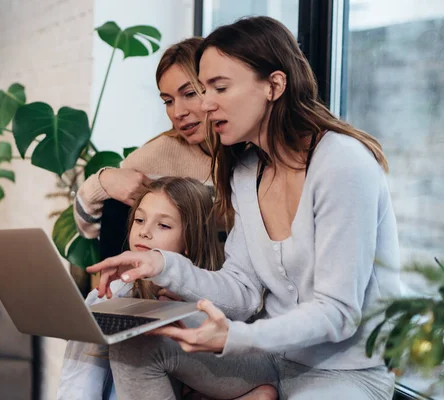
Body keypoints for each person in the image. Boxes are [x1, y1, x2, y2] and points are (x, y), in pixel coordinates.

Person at [87, 16, 401, 400]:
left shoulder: (342, 163)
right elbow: (244, 290)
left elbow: (338, 313)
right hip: (269, 357)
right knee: (134, 343)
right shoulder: (247, 171)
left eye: (219, 87)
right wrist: (163, 265)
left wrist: (237, 336)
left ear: (274, 85)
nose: (204, 104)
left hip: (346, 373)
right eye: (203, 89)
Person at [58, 177, 225, 399]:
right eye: (139, 220)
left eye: (163, 225)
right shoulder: (112, 293)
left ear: (193, 237)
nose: (144, 232)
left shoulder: (213, 298)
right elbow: (79, 380)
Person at [73, 37, 215, 241]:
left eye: (190, 93)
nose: (177, 112)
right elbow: (88, 229)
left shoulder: (257, 154)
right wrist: (102, 181)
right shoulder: (158, 154)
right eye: (168, 101)